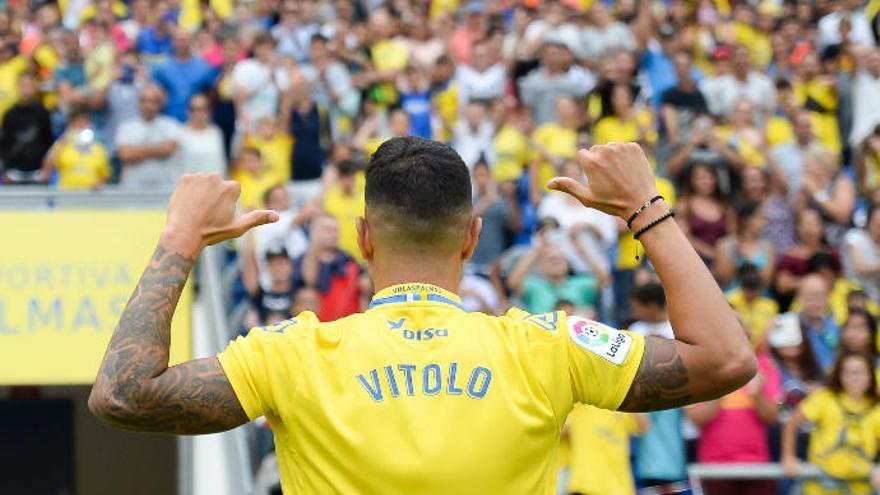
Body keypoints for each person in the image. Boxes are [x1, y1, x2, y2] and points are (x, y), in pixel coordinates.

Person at [88, 140, 756, 493]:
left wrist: (180, 236)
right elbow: (725, 358)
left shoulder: (290, 354)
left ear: (363, 237)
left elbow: (123, 391)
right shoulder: (544, 346)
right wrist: (646, 206)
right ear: (471, 235)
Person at [782, 352, 880, 495]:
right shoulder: (825, 398)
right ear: (840, 375)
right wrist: (788, 457)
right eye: (848, 372)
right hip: (820, 487)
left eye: (860, 372)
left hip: (860, 488)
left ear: (871, 376)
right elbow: (791, 424)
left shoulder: (876, 407)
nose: (854, 378)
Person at [115, 83, 179, 189]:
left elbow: (168, 149)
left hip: (164, 189)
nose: (148, 105)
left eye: (152, 101)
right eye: (144, 101)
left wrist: (137, 151)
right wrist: (157, 149)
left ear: (160, 104)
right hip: (133, 189)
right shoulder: (126, 127)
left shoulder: (170, 125)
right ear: (138, 103)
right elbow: (125, 154)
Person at [0, 72, 54, 184]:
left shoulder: (42, 112)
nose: (25, 89)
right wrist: (6, 170)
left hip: (38, 171)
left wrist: (47, 169)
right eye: (23, 85)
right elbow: (5, 143)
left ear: (34, 87)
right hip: (14, 172)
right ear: (17, 87)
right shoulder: (10, 114)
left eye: (29, 85)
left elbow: (49, 141)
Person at [41, 108, 110, 189]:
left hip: (91, 198)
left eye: (84, 123)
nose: (82, 127)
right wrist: (62, 143)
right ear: (71, 125)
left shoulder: (99, 148)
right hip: (66, 196)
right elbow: (46, 171)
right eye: (78, 124)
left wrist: (99, 184)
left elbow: (105, 176)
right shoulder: (62, 145)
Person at [174, 93, 226, 179]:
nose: (198, 113)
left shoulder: (216, 132)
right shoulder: (179, 134)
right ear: (187, 111)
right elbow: (175, 167)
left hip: (214, 188)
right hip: (191, 188)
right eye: (193, 109)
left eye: (202, 109)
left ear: (209, 111)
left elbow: (222, 163)